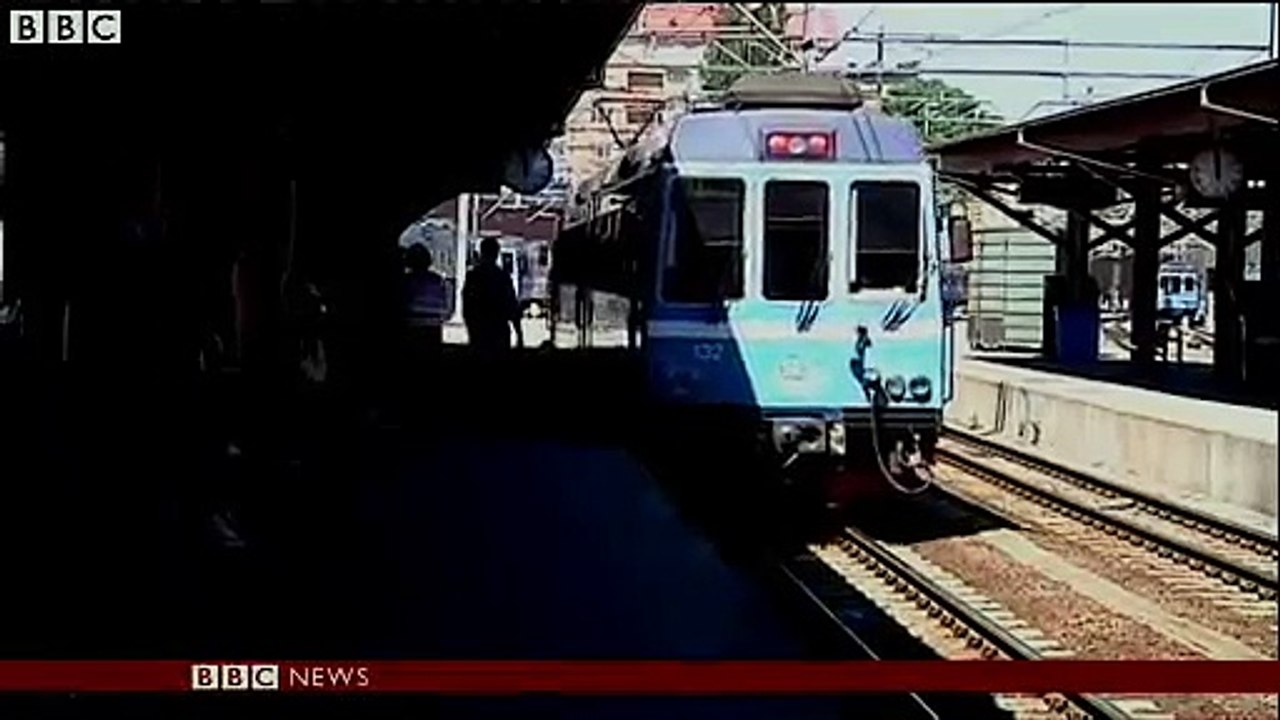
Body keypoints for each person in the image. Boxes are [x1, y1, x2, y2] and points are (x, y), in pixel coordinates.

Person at [462, 237, 523, 356]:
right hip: (499, 331)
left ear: (481, 252)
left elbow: (467, 306)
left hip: (479, 332)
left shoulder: (473, 276)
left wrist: (471, 329)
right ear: (496, 253)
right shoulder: (502, 277)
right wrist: (519, 335)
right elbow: (512, 306)